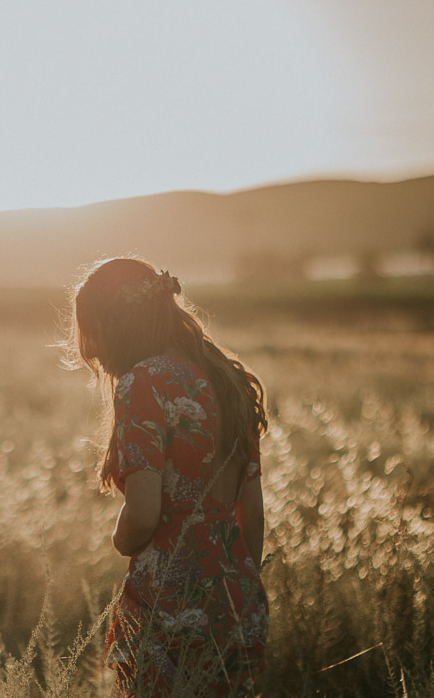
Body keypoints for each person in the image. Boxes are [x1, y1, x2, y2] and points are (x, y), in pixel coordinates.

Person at [68, 257, 268, 697]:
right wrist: (239, 590)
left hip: (171, 606)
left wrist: (121, 541)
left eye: (94, 330)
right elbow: (251, 517)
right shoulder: (228, 381)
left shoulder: (143, 383)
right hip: (238, 601)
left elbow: (143, 513)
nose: (94, 347)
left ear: (118, 323)